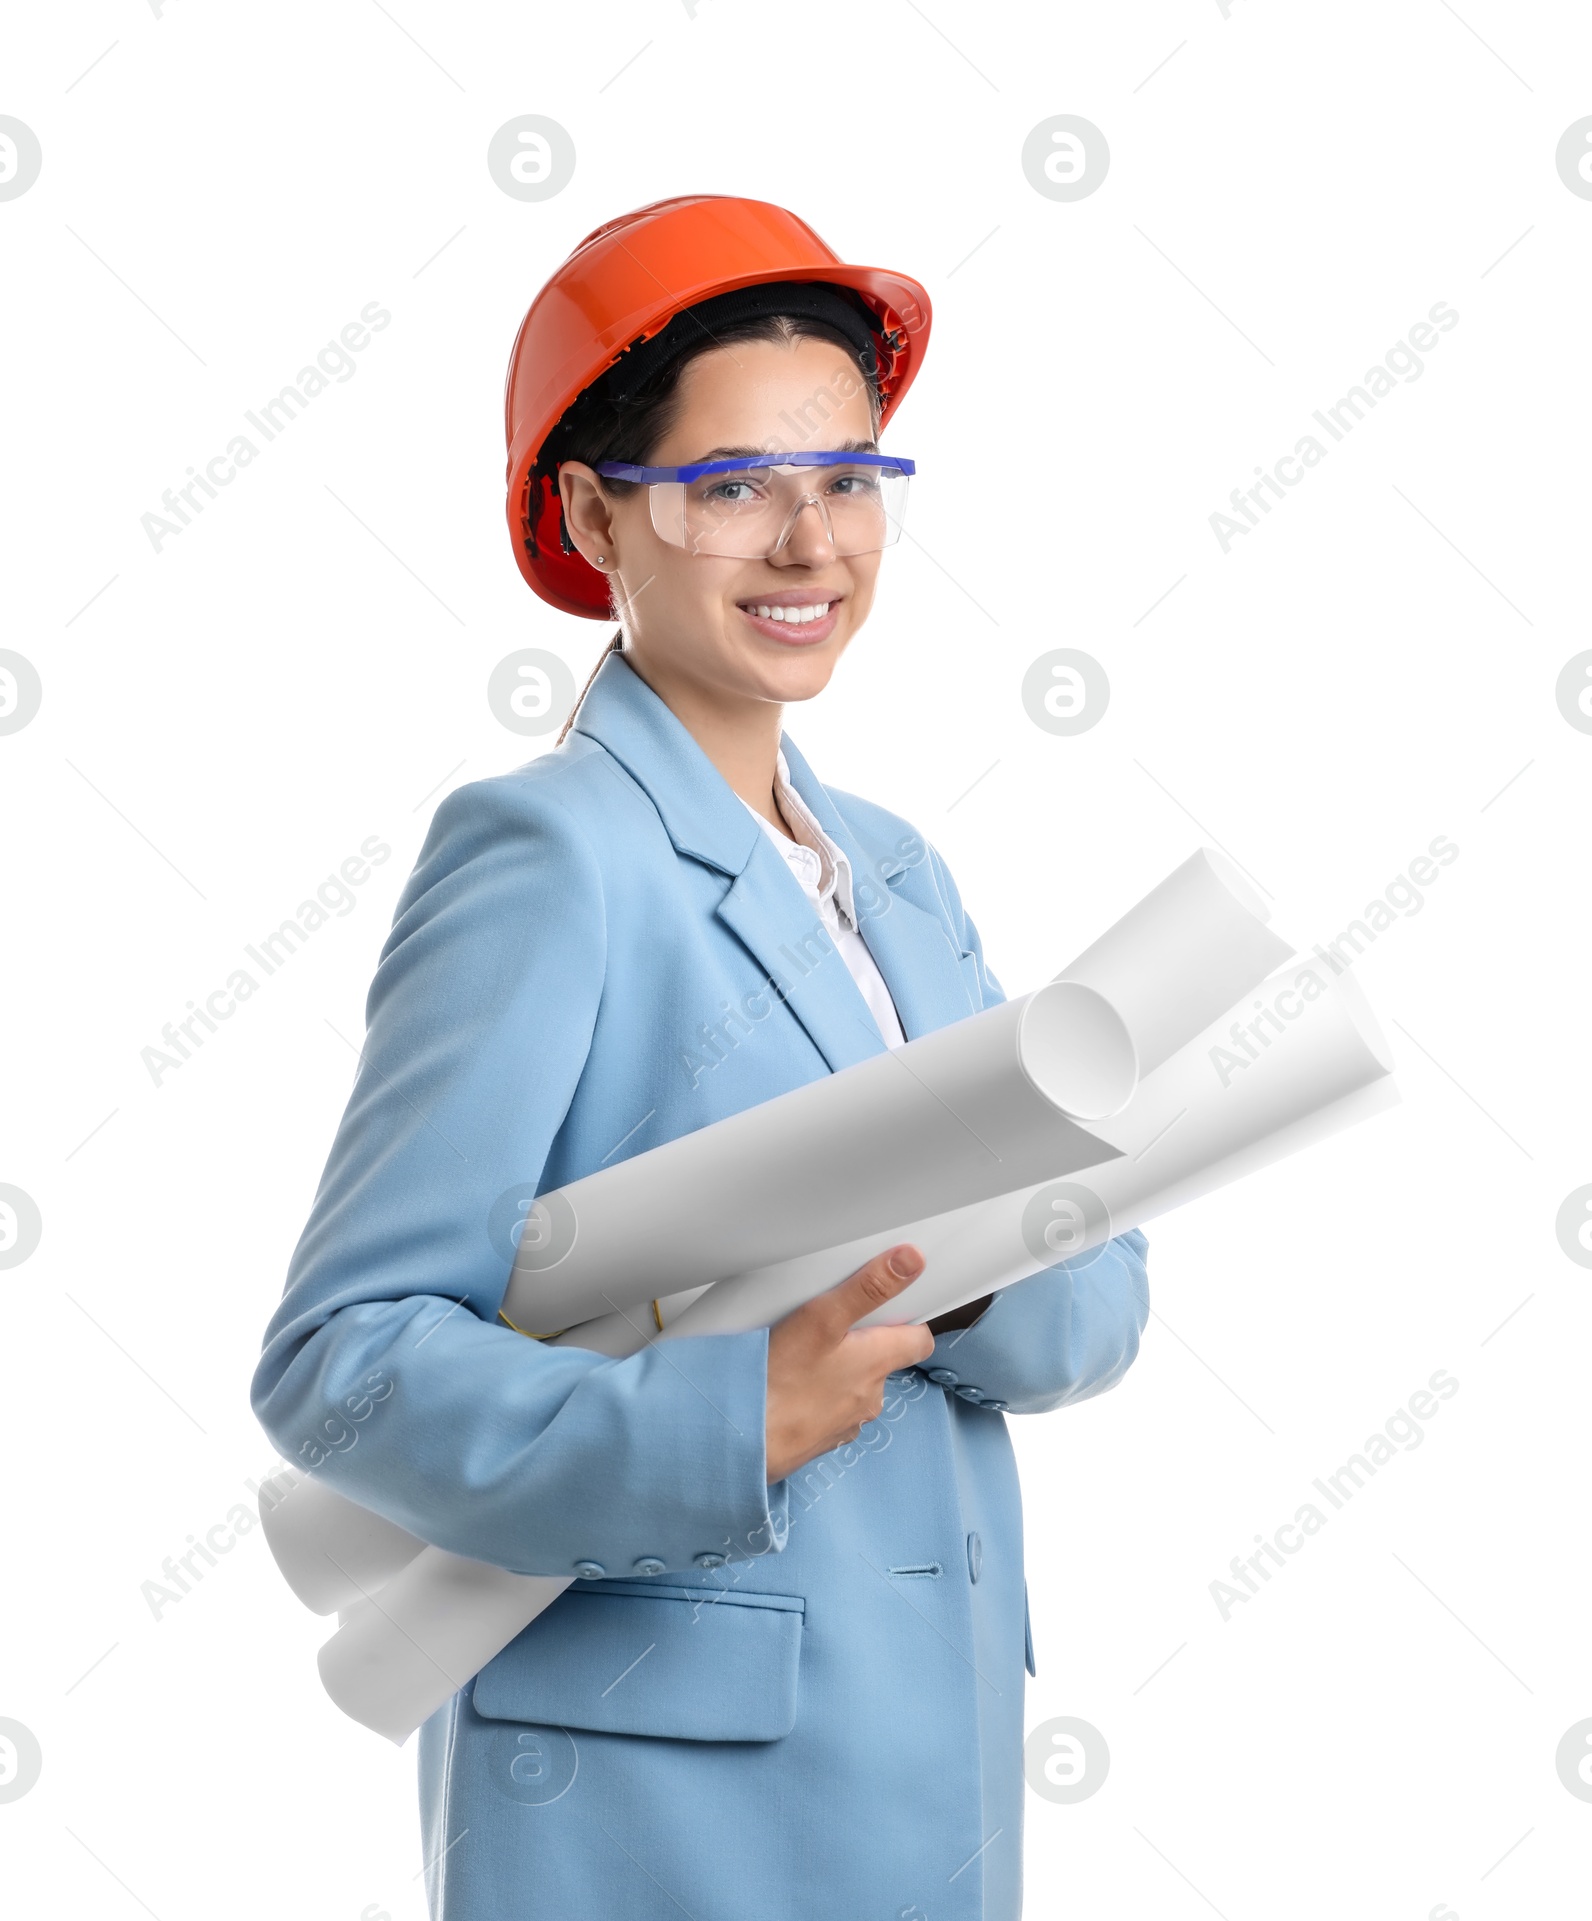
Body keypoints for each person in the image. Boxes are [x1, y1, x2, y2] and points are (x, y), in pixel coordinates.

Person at [250, 194, 1150, 1921]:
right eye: (732, 484)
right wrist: (727, 1416)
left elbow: (1097, 1281)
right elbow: (342, 1360)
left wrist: (954, 1277)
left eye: (850, 481)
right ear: (597, 512)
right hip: (661, 1795)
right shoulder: (548, 857)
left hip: (935, 1750)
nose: (808, 543)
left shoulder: (899, 873)